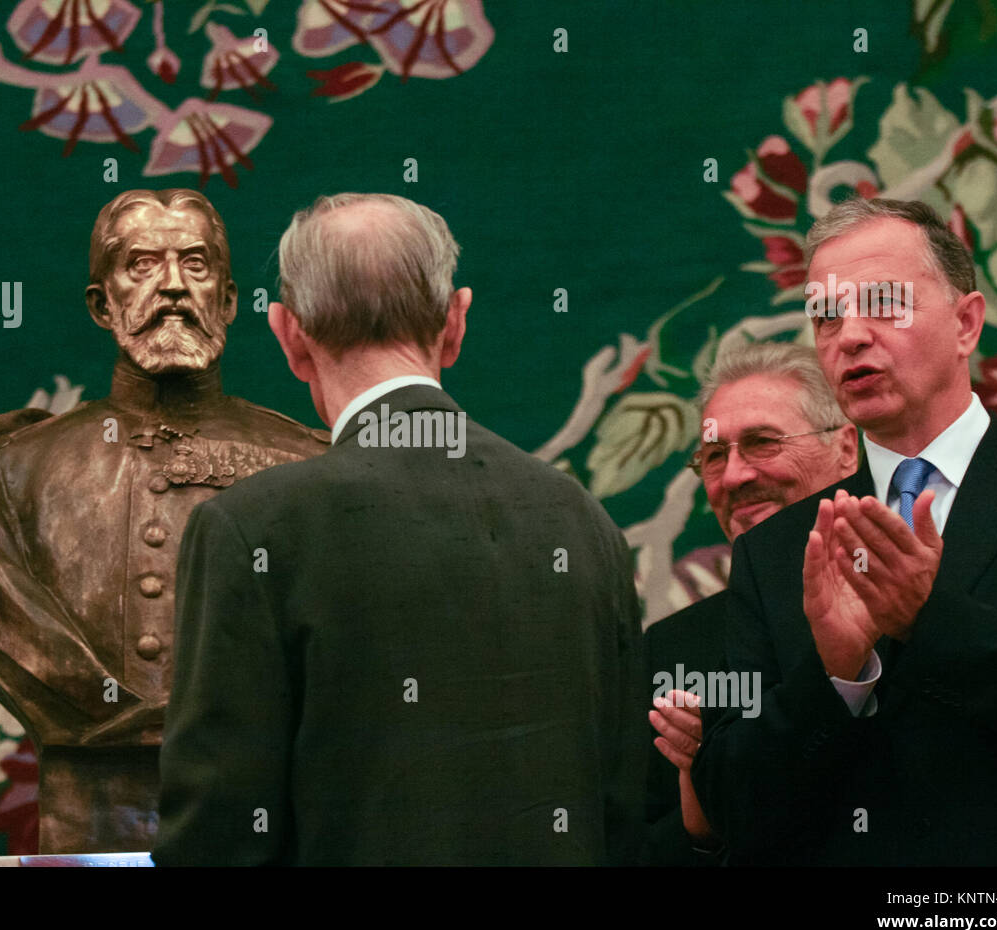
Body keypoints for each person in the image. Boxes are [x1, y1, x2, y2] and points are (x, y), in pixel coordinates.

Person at [153, 193, 645, 865]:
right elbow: (624, 811)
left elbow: (220, 837)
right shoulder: (583, 523)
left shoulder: (251, 532)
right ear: (456, 321)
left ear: (289, 335)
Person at [0, 189, 328, 853]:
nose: (170, 286)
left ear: (228, 299)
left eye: (194, 265)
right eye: (140, 265)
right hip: (86, 818)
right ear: (102, 305)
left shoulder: (308, 462)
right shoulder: (7, 471)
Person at [692, 197, 997, 864]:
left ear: (967, 323)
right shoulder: (777, 551)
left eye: (883, 304)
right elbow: (732, 806)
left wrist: (932, 619)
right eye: (828, 317)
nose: (850, 336)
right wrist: (838, 675)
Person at [643, 342, 856, 865]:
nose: (734, 477)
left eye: (762, 443)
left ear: (846, 448)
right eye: (715, 456)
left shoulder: (911, 597)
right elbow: (642, 847)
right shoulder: (672, 651)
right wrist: (704, 815)